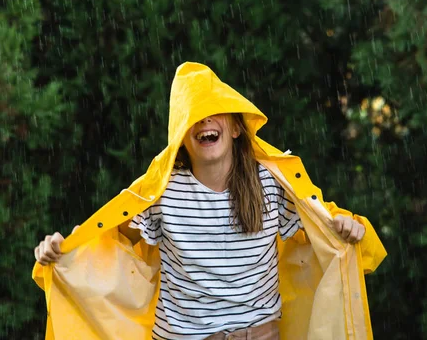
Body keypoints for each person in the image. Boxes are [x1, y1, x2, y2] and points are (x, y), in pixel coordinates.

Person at [32, 62, 386, 340]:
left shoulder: (272, 185)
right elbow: (110, 239)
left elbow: (321, 232)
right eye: (193, 116)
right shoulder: (161, 193)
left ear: (235, 128)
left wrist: (348, 228)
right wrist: (64, 250)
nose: (205, 120)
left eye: (215, 111)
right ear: (181, 138)